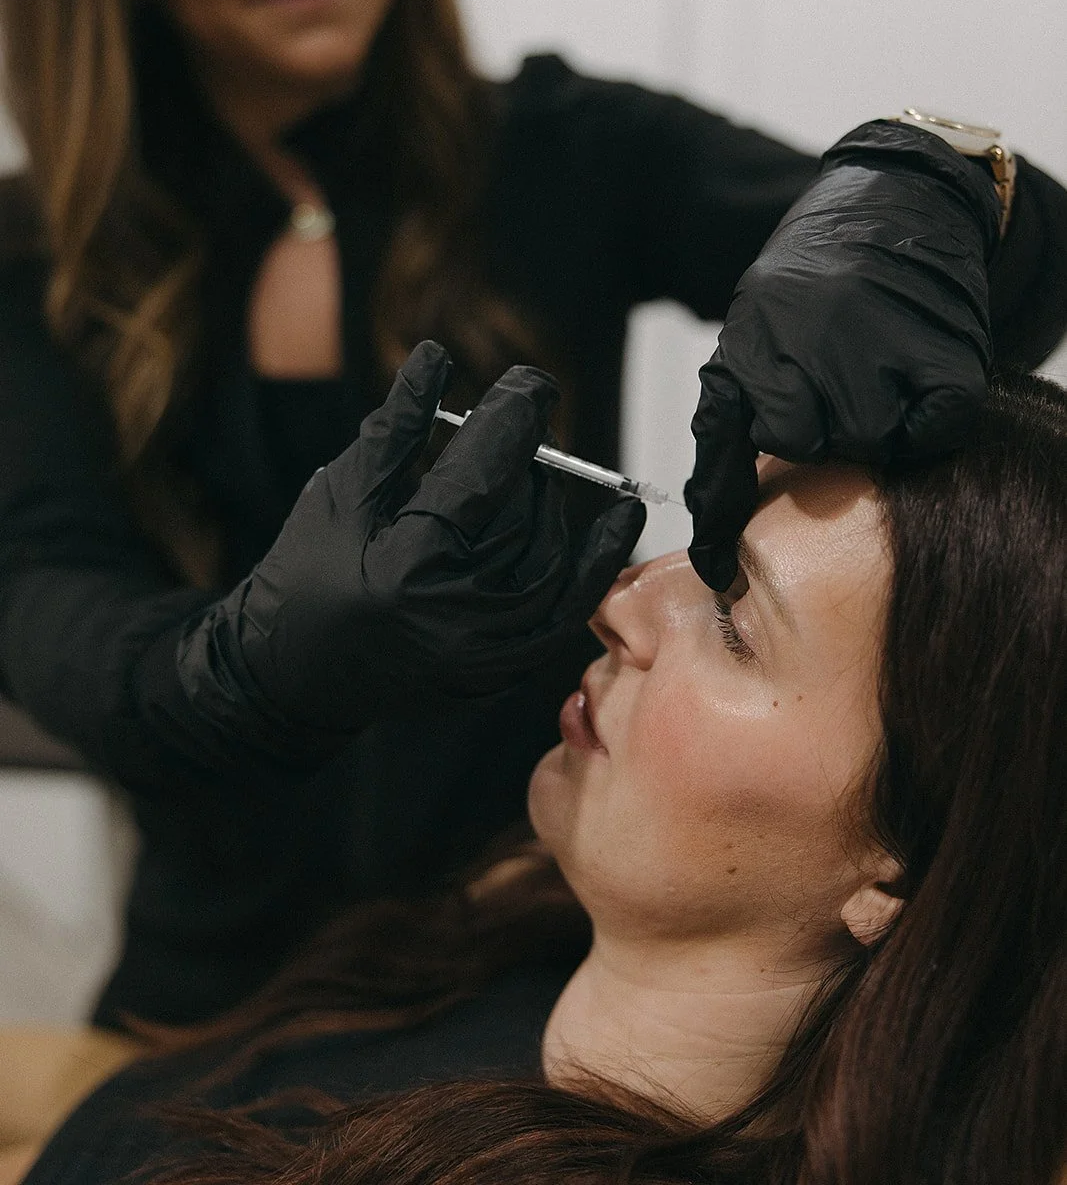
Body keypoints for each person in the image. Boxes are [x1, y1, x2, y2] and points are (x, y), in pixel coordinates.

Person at [2, 0, 1067, 1031]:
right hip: (208, 1011)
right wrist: (238, 670)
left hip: (537, 975)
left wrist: (928, 188)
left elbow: (986, 281)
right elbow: (59, 625)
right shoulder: (33, 261)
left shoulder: (566, 149)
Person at [3, 363, 1067, 1185]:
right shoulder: (488, 947)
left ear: (902, 865)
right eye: (694, 548)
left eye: (736, 623)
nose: (618, 599)